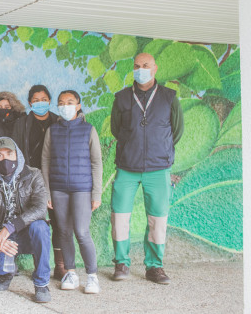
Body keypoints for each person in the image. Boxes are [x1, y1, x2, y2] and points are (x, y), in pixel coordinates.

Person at [109, 53, 184, 285]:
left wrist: (159, 150)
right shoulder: (121, 97)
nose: (141, 69)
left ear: (155, 68)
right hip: (127, 168)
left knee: (157, 219)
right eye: (137, 66)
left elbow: (176, 131)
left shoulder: (169, 97)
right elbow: (115, 129)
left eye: (145, 65)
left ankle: (154, 267)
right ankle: (121, 263)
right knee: (119, 216)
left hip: (158, 168)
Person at [0, 137, 53, 303]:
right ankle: (7, 273)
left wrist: (10, 227)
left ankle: (41, 284)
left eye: (9, 153)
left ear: (17, 154)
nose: (5, 159)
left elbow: (40, 208)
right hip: (4, 240)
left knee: (40, 227)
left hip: (29, 235)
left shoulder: (34, 175)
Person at [41, 90, 103, 294]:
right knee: (64, 232)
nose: (65, 105)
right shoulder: (52, 130)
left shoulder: (88, 130)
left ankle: (92, 276)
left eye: (69, 102)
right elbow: (45, 162)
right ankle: (71, 273)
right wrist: (47, 192)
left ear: (78, 105)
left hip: (82, 189)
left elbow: (96, 163)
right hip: (58, 189)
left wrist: (96, 193)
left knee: (82, 232)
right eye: (61, 102)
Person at [9, 85, 67, 279]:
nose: (40, 102)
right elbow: (16, 152)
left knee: (58, 221)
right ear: (30, 103)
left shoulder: (58, 121)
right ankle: (36, 267)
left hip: (56, 178)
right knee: (34, 221)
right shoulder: (22, 124)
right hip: (30, 179)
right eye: (35, 99)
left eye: (43, 99)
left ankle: (60, 265)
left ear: (49, 101)